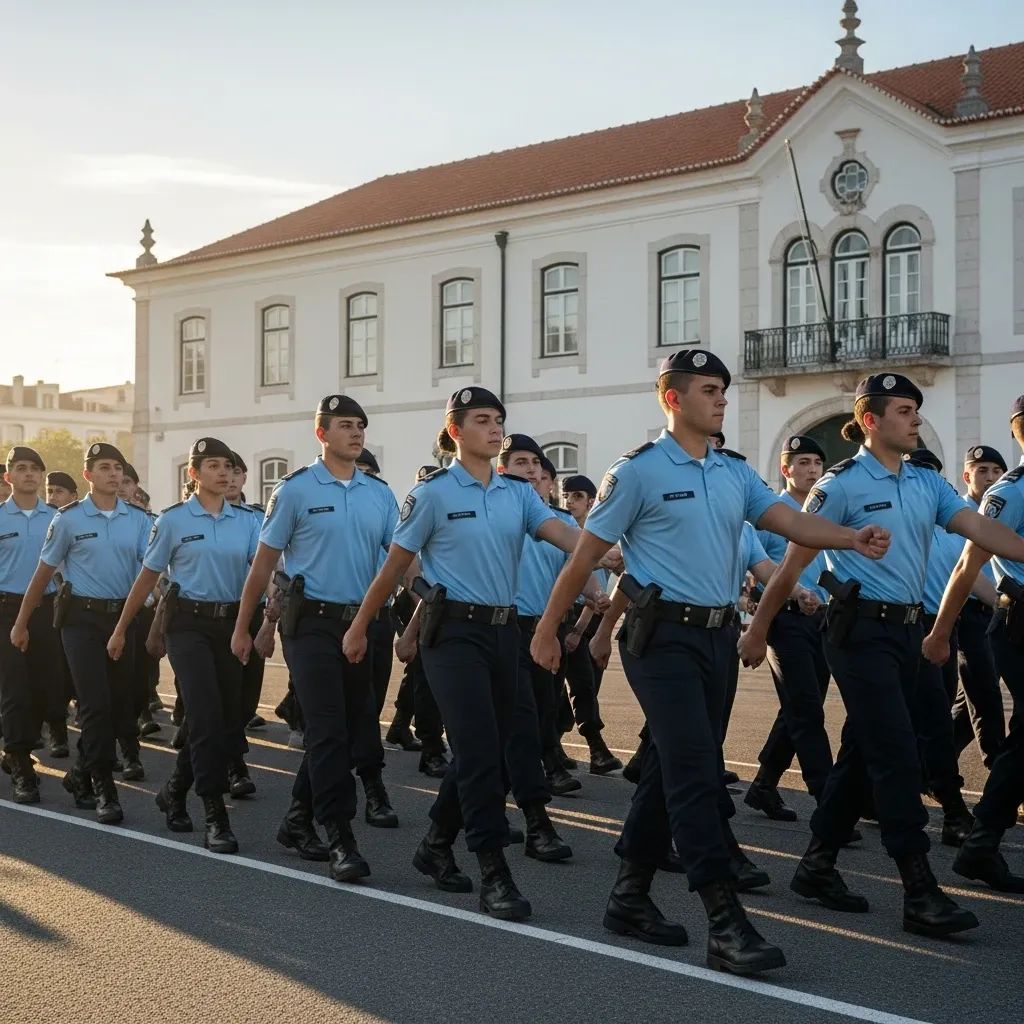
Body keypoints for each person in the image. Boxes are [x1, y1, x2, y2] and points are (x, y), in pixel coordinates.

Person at [531, 349, 893, 976]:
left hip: (718, 639)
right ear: (672, 399)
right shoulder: (637, 472)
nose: (721, 397)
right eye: (707, 388)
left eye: (723, 388)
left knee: (668, 769)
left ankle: (629, 895)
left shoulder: (732, 471)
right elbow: (585, 555)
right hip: (661, 639)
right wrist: (546, 630)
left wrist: (849, 537)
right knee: (697, 772)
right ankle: (723, 919)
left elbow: (786, 520)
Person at [741, 373, 1024, 937]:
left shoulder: (927, 483)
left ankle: (817, 865)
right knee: (894, 752)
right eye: (903, 409)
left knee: (870, 751)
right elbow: (794, 563)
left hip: (909, 634)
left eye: (917, 409)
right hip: (859, 632)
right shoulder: (840, 485)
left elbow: (983, 533)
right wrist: (759, 630)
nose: (916, 418)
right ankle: (919, 889)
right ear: (871, 420)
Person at [342, 386, 605, 921]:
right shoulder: (434, 494)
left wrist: (608, 550)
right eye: (482, 420)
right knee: (481, 750)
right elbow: (395, 566)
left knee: (495, 748)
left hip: (504, 633)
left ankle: (436, 843)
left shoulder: (518, 493)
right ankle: (493, 869)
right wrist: (362, 625)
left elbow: (563, 534)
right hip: (453, 634)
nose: (494, 428)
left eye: (498, 420)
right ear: (456, 430)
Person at [231, 396, 399, 883]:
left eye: (361, 426)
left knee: (347, 730)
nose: (356, 433)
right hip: (311, 624)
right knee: (326, 729)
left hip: (359, 624)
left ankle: (298, 819)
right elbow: (263, 564)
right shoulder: (295, 491)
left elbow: (400, 557)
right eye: (345, 425)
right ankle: (339, 835)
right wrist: (245, 627)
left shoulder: (379, 493)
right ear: (321, 434)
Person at [108, 438, 259, 853]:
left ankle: (174, 790)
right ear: (193, 474)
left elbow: (260, 572)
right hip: (187, 625)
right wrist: (122, 628)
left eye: (228, 466)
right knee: (206, 715)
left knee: (223, 720)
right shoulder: (173, 520)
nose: (224, 473)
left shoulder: (247, 520)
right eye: (213, 466)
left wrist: (254, 625)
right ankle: (214, 812)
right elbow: (147, 576)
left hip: (229, 624)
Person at [12, 442, 150, 824]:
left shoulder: (138, 520)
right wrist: (21, 622)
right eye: (104, 467)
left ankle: (78, 774)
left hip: (122, 620)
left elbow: (149, 571)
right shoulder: (69, 519)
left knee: (122, 704)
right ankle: (103, 786)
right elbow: (42, 574)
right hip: (81, 621)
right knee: (95, 704)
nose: (113, 474)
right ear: (88, 475)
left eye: (117, 468)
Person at [922, 395, 1024, 893]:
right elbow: (968, 566)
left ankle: (981, 840)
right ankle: (981, 842)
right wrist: (941, 631)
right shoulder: (1010, 492)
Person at [746, 435, 833, 821]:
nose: (812, 470)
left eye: (817, 463)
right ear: (786, 470)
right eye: (803, 463)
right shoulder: (773, 512)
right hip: (784, 618)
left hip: (823, 620)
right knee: (807, 710)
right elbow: (756, 559)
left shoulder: (823, 512)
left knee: (799, 706)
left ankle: (764, 785)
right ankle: (828, 801)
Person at [904, 448, 984, 846]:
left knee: (934, 719)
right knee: (919, 722)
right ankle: (951, 810)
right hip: (905, 629)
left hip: (941, 630)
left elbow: (973, 580)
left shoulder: (951, 533)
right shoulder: (900, 524)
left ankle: (946, 808)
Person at [0, 446, 58, 802]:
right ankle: (21, 762)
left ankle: (17, 747)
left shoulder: (57, 517)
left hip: (47, 610)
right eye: (21, 468)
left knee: (47, 690)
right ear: (8, 477)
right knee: (15, 689)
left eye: (35, 469)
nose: (29, 474)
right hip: (6, 609)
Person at [951, 444, 1008, 768]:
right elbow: (964, 573)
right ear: (966, 476)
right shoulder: (960, 516)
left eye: (996, 471)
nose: (989, 478)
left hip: (1000, 614)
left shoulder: (1005, 508)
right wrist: (1003, 604)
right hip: (970, 614)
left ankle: (931, 767)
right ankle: (1001, 775)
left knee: (966, 705)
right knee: (987, 697)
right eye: (982, 471)